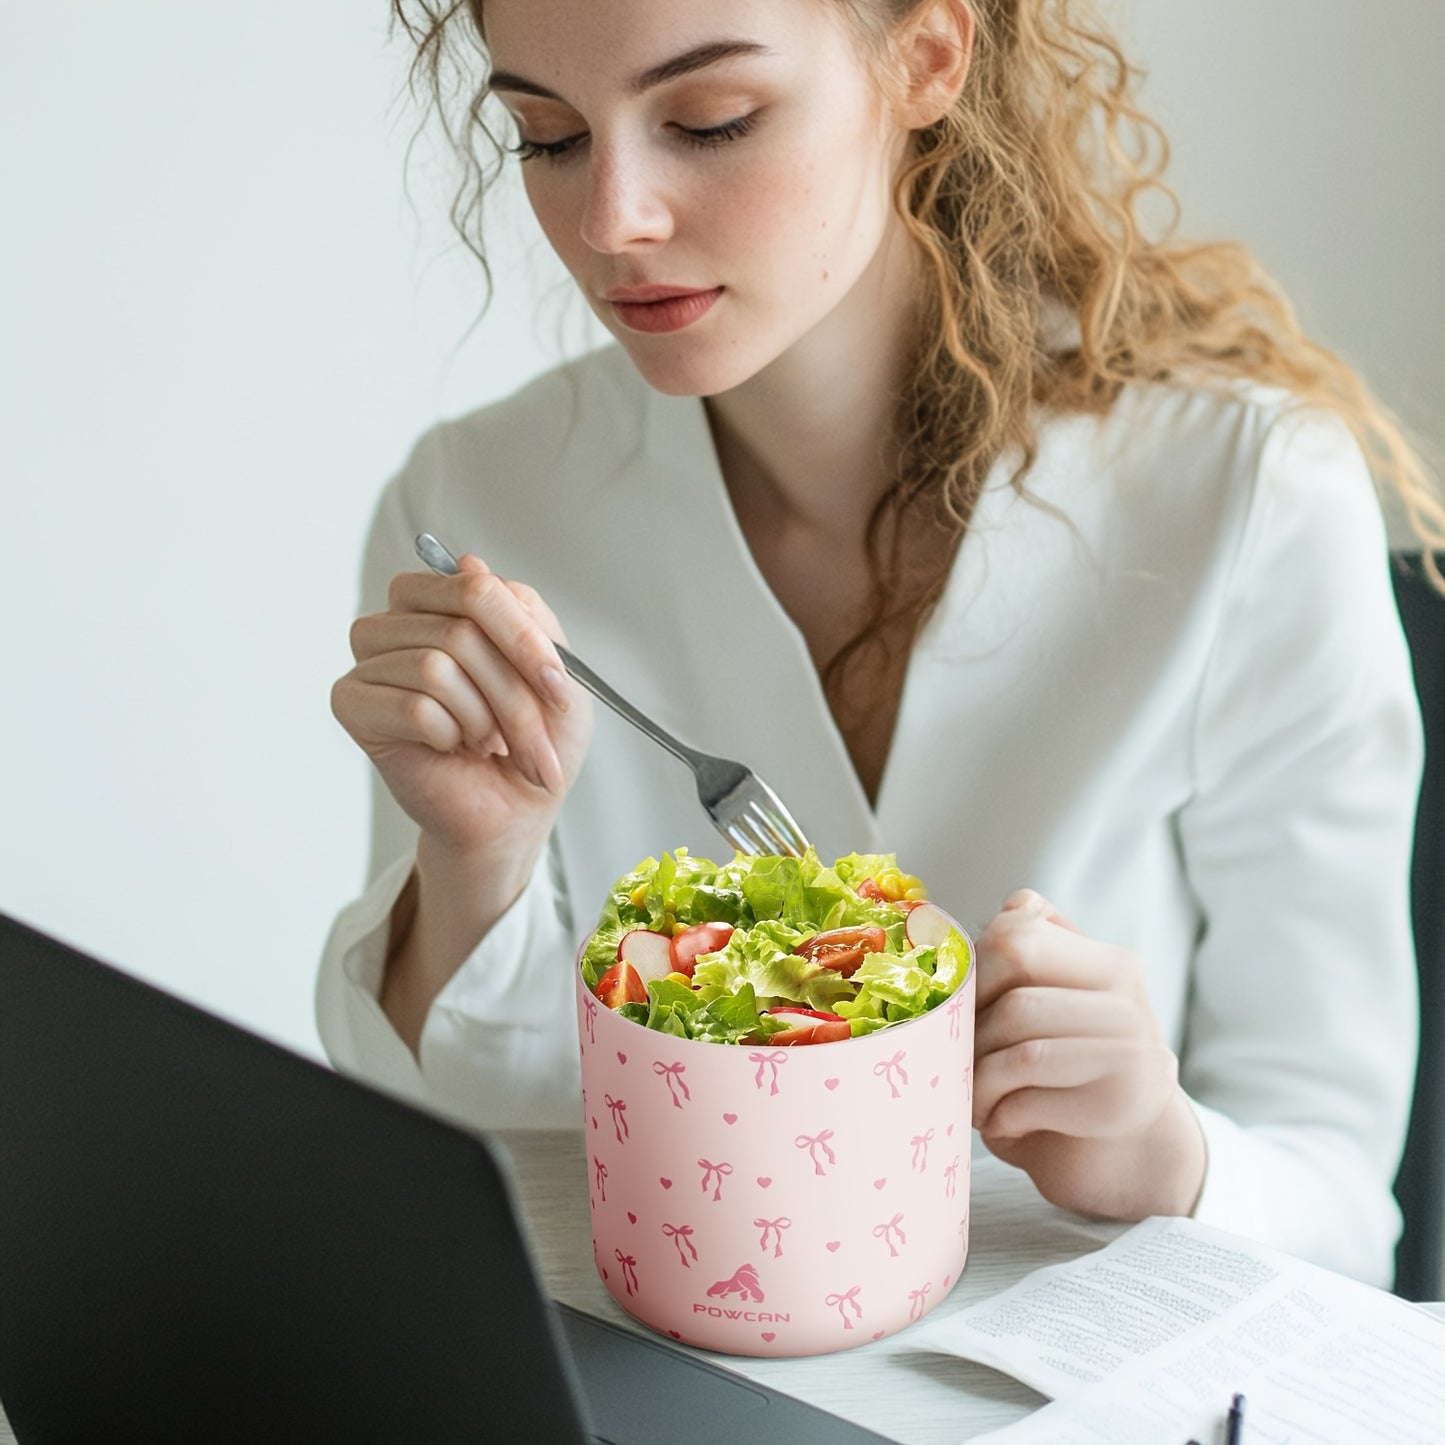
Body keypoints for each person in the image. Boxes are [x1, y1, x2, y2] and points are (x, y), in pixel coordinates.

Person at [318, 0, 1443, 1289]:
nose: (610, 220)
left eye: (709, 121)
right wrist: (480, 859)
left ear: (925, 59)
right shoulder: (478, 510)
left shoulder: (1243, 496)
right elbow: (490, 1143)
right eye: (549, 137)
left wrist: (1160, 1148)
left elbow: (1348, 1217)